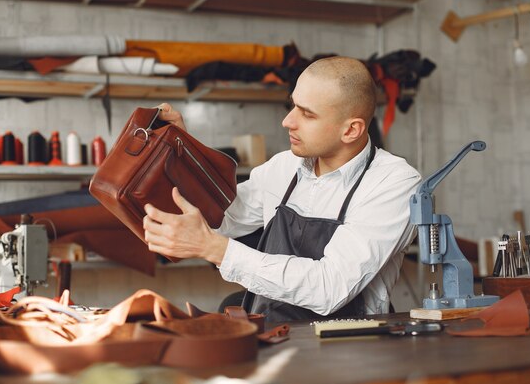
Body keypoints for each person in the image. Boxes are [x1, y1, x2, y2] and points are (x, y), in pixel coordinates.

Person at [143, 56, 421, 322]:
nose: (288, 121)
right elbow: (220, 217)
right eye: (293, 106)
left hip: (348, 347)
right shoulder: (284, 166)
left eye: (307, 114)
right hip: (273, 332)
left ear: (351, 130)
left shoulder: (393, 183)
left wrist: (216, 250)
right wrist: (181, 152)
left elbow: (330, 288)